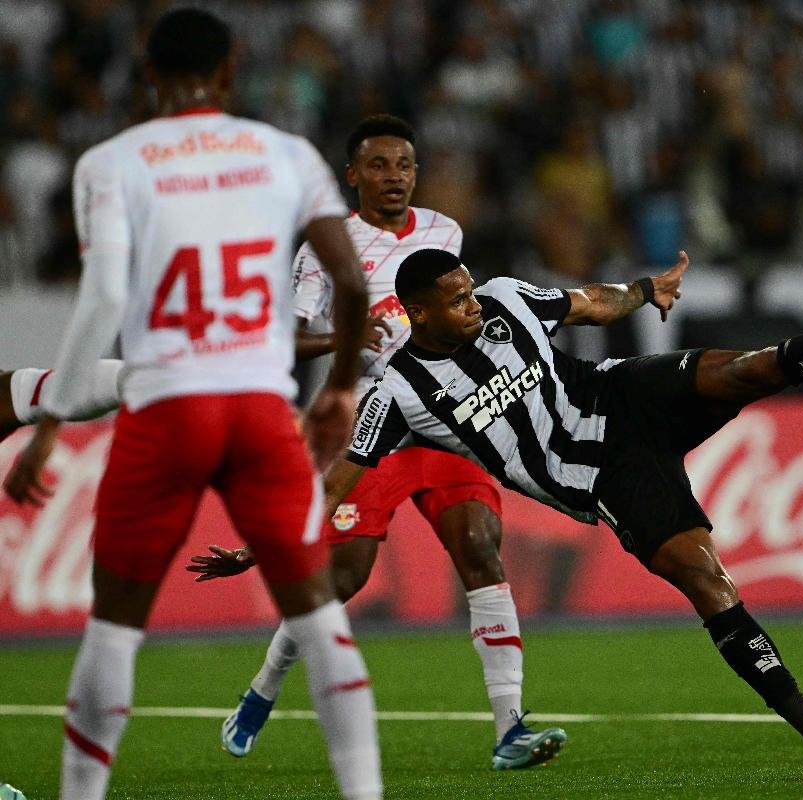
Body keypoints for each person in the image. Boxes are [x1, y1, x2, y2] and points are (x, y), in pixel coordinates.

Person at [313, 246, 803, 782]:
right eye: (456, 300)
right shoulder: (398, 393)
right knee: (705, 579)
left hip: (624, 393)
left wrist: (644, 291)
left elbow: (590, 304)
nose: (471, 304)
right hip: (606, 475)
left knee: (749, 368)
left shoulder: (507, 300)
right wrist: (271, 542)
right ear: (418, 315)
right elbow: (342, 476)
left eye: (469, 290)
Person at [1, 10, 382, 800]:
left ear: (147, 75)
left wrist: (46, 425)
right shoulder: (287, 155)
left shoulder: (112, 162)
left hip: (167, 408)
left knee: (113, 628)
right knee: (318, 621)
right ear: (232, 69)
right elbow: (350, 283)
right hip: (258, 409)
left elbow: (104, 293)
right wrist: (341, 387)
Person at [187, 114, 566, 770]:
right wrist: (342, 337)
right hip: (373, 425)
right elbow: (285, 339)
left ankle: (510, 729)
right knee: (342, 579)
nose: (395, 177)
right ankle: (260, 692)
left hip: (448, 420)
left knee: (480, 548)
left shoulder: (444, 233)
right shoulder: (326, 247)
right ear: (353, 174)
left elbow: (464, 312)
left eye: (405, 166)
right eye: (380, 166)